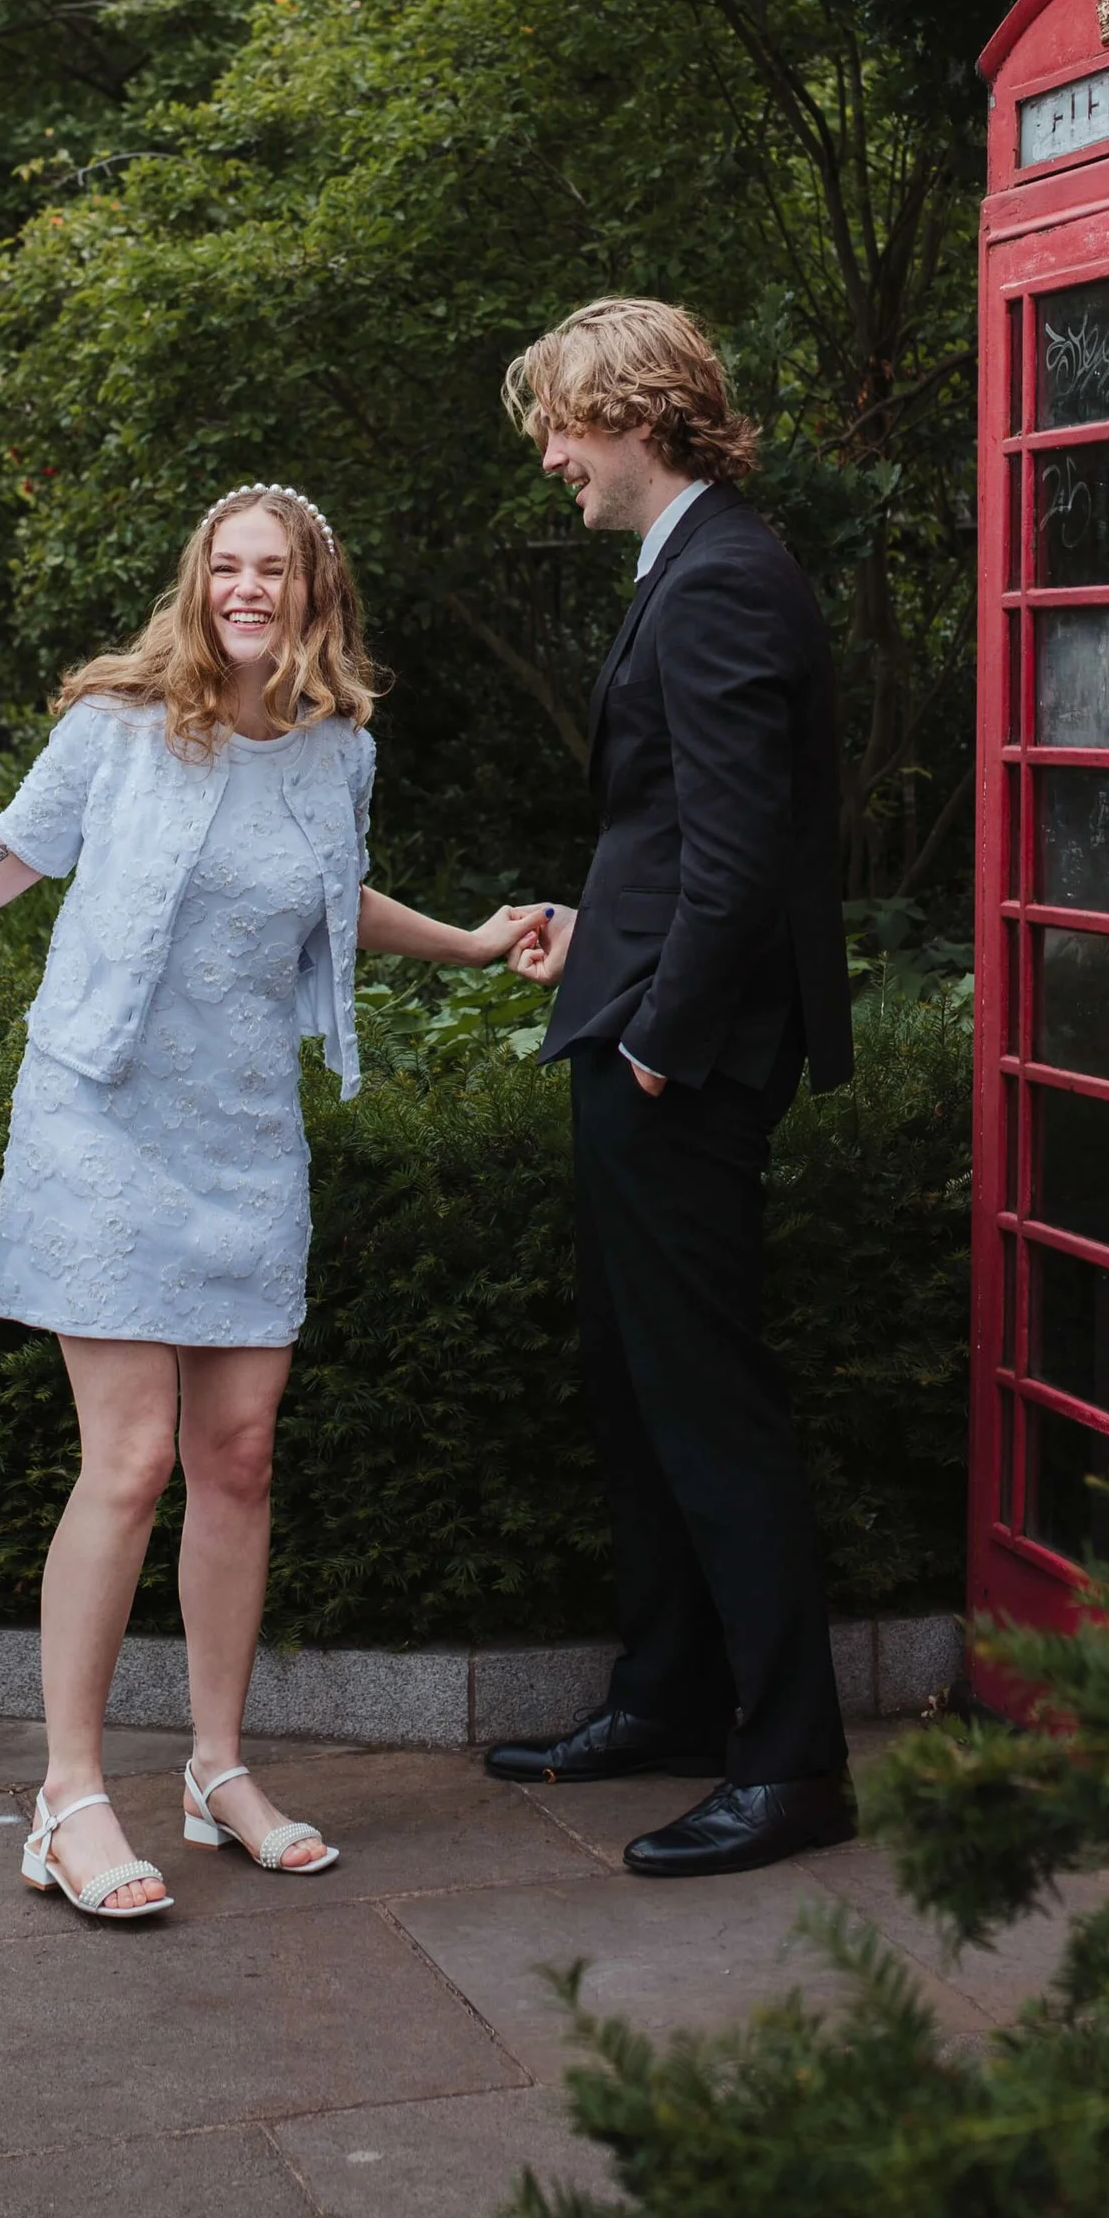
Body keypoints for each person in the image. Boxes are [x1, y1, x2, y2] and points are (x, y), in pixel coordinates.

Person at [0, 488, 544, 1922]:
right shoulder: (116, 725)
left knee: (242, 1453)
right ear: (197, 582)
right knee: (133, 1455)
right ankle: (67, 1797)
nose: (249, 589)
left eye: (275, 568)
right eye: (228, 566)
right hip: (102, 1118)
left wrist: (467, 940)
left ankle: (217, 1770)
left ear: (316, 590)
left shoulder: (341, 751)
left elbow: (339, 899)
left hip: (246, 1135)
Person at [494, 299, 855, 1879]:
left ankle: (790, 1766)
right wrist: (599, 943)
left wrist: (652, 1035)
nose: (556, 461)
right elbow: (673, 838)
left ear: (636, 412)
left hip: (680, 1062)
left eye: (565, 429)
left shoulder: (719, 580)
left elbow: (741, 851)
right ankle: (669, 1696)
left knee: (708, 1407)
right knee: (640, 1391)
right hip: (642, 1016)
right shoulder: (690, 568)